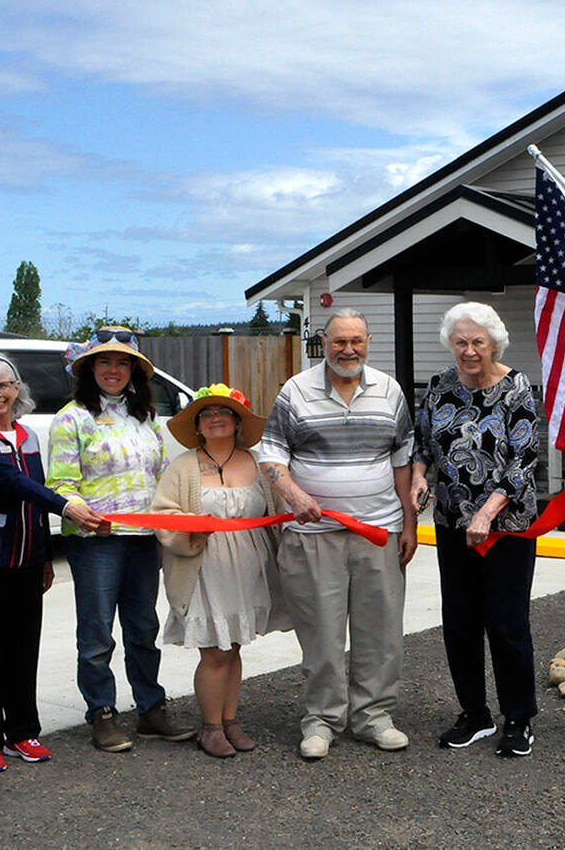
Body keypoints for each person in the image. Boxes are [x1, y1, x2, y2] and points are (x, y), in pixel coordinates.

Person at [259, 308, 417, 761]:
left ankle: (374, 718)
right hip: (313, 535)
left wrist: (409, 523)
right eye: (339, 341)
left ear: (369, 342)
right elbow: (272, 455)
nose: (348, 350)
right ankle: (321, 720)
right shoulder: (296, 391)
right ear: (323, 343)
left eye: (357, 341)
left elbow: (402, 460)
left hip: (378, 532)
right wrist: (292, 493)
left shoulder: (389, 391)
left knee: (381, 631)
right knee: (322, 634)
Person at [0, 352, 104, 774]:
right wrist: (68, 509)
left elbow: (33, 497)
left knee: (21, 648)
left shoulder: (28, 436)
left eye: (4, 385)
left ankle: (21, 732)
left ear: (18, 389)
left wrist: (42, 558)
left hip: (23, 562)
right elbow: (13, 484)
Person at [47, 326, 194, 752]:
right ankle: (102, 712)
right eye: (105, 361)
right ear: (90, 367)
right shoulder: (72, 417)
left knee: (143, 627)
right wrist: (77, 509)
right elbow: (60, 483)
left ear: (134, 371)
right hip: (98, 541)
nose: (113, 370)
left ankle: (150, 709)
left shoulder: (145, 417)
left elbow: (160, 475)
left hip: (144, 537)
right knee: (96, 632)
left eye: (122, 362)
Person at [409, 302, 541, 757]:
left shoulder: (516, 387)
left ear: (493, 344)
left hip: (507, 528)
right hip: (451, 524)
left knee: (506, 623)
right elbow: (423, 445)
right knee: (460, 623)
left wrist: (487, 513)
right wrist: (420, 476)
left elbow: (524, 462)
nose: (469, 351)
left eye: (477, 342)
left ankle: (518, 717)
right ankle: (475, 713)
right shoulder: (439, 386)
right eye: (461, 342)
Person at [151, 383, 287, 758]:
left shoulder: (259, 463)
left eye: (223, 413)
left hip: (248, 565)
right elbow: (162, 514)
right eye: (206, 414)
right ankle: (210, 727)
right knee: (214, 652)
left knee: (234, 645)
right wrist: (194, 525)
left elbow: (277, 511)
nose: (215, 419)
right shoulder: (183, 466)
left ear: (237, 421)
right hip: (205, 566)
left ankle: (230, 721)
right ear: (197, 425)